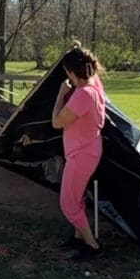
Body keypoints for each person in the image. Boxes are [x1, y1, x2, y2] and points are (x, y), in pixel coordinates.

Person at [51, 41, 106, 261]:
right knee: (77, 195)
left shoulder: (83, 95)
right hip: (87, 150)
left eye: (68, 71)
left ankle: (92, 245)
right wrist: (76, 49)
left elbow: (57, 122)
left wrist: (60, 93)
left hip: (81, 154)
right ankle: (77, 237)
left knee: (68, 203)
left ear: (73, 73)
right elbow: (85, 64)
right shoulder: (94, 84)